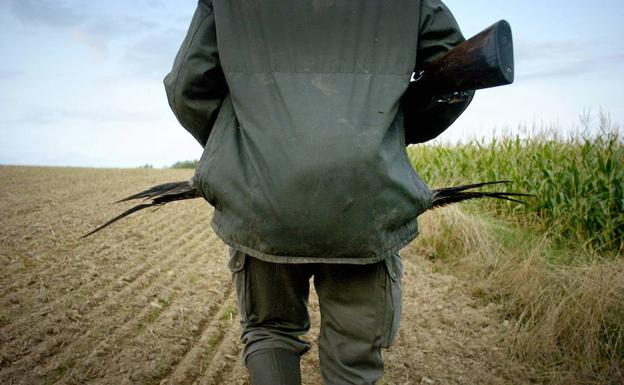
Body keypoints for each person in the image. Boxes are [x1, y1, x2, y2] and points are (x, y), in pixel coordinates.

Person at [164, 1, 473, 384]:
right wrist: (380, 139)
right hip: (364, 200)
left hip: (263, 200)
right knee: (354, 359)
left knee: (270, 331)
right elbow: (460, 73)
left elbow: (186, 87)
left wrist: (249, 145)